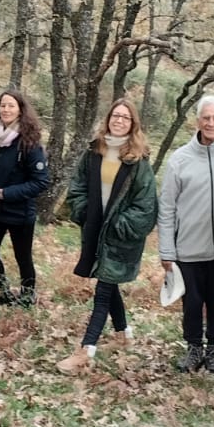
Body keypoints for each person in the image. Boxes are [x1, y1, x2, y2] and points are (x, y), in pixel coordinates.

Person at [57, 99, 158, 375]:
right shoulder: (95, 151)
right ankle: (124, 333)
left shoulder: (139, 160)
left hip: (120, 236)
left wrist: (118, 225)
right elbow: (77, 185)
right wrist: (83, 211)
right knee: (108, 282)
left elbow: (146, 205)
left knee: (102, 290)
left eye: (126, 118)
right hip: (94, 230)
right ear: (109, 119)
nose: (120, 120)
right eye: (116, 115)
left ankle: (85, 350)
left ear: (133, 124)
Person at [157, 95, 214, 373]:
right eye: (206, 118)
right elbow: (167, 207)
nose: (211, 123)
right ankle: (194, 349)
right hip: (187, 248)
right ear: (197, 121)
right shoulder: (180, 159)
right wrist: (166, 251)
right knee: (192, 304)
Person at [0, 89, 50, 306]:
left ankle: (27, 298)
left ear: (20, 111)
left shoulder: (29, 142)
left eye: (11, 106)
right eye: (3, 105)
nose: (6, 109)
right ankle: (3, 293)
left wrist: (8, 193)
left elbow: (41, 181)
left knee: (22, 257)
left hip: (19, 212)